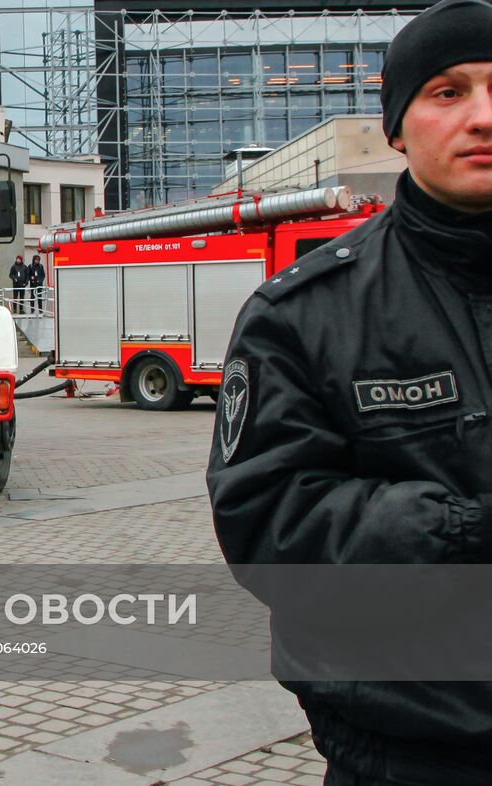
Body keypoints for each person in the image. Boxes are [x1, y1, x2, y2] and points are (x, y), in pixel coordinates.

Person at [206, 1, 492, 783]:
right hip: (411, 752)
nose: (484, 117)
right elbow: (267, 527)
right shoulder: (303, 315)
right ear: (396, 126)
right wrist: (464, 523)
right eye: (447, 92)